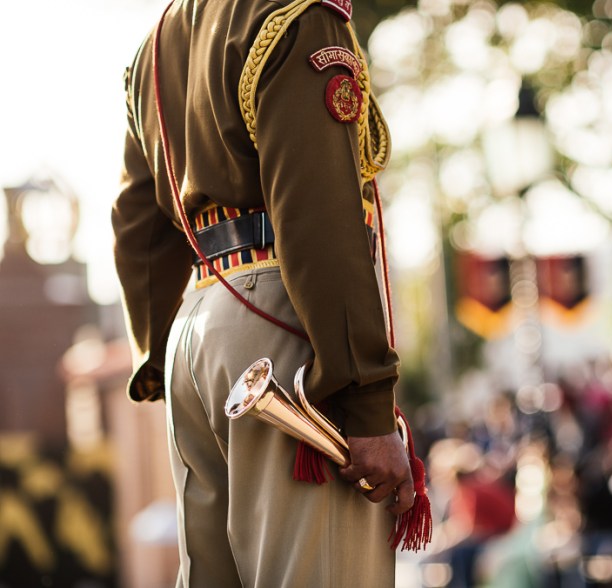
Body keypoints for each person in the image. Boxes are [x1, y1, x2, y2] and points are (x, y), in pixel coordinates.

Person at [112, 0, 415, 585]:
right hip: (282, 321)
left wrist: (160, 355)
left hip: (199, 322)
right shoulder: (299, 12)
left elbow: (135, 223)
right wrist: (366, 400)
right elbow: (318, 215)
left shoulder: (155, 43)